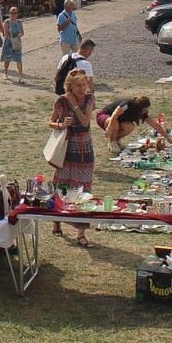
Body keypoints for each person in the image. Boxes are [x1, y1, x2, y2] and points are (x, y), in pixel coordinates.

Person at [49, 70, 96, 243]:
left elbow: (85, 122)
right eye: (78, 85)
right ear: (70, 86)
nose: (82, 89)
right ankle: (56, 221)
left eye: (84, 85)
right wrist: (61, 124)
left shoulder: (89, 99)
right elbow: (50, 122)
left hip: (84, 150)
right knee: (62, 185)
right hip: (66, 149)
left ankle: (81, 232)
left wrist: (74, 106)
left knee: (83, 189)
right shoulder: (61, 100)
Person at [96, 95, 166, 153]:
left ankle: (117, 140)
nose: (146, 111)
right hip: (105, 116)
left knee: (130, 127)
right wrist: (109, 128)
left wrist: (168, 138)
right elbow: (115, 114)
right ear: (139, 107)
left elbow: (155, 125)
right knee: (115, 122)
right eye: (145, 109)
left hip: (117, 120)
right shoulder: (127, 104)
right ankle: (112, 142)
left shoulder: (142, 112)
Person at [1, 6, 25, 84]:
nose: (13, 14)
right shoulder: (7, 22)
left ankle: (20, 77)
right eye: (12, 13)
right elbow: (5, 32)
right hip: (8, 42)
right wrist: (11, 38)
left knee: (19, 59)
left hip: (17, 42)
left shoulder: (19, 22)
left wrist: (18, 36)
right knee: (7, 59)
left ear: (17, 14)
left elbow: (22, 32)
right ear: (9, 13)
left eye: (15, 13)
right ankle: (5, 72)